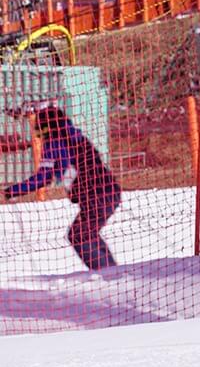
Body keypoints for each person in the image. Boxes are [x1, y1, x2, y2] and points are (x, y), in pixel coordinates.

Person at [2, 104, 119, 271]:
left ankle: (108, 274)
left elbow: (43, 178)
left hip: (96, 196)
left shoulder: (53, 144)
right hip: (110, 191)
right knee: (85, 233)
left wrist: (9, 192)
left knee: (79, 235)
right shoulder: (75, 135)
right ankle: (112, 270)